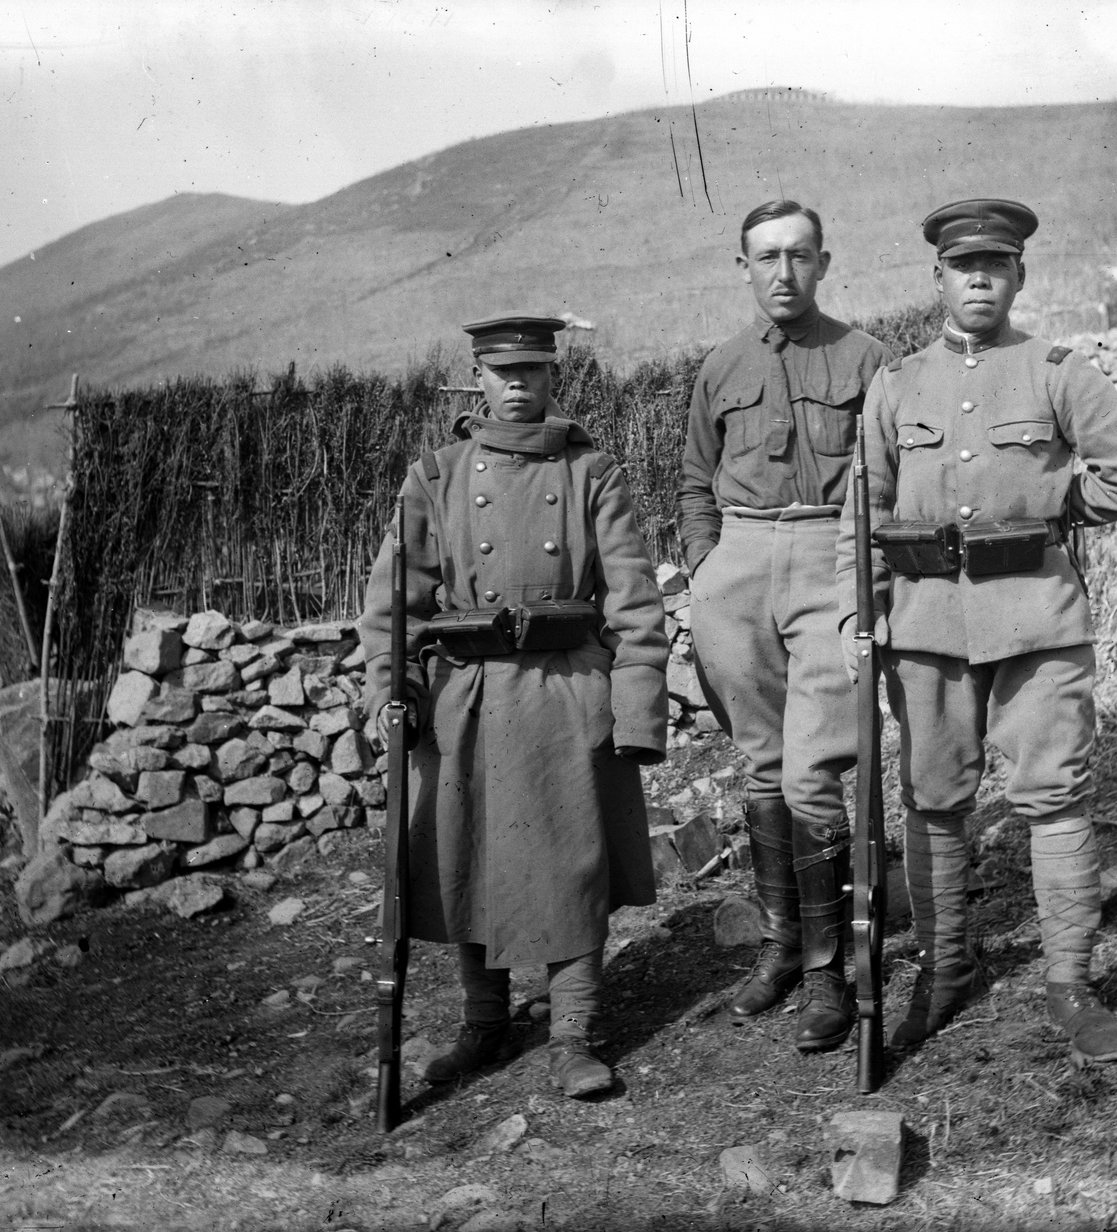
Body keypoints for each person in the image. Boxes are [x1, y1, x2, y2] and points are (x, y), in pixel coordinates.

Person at [836, 198, 1117, 1066]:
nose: (979, 279)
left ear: (1019, 276)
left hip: (1037, 622)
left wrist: (1055, 511)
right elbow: (864, 512)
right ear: (937, 278)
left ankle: (1070, 984)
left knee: (1054, 797)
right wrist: (857, 611)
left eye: (996, 266)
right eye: (962, 268)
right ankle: (941, 973)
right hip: (928, 627)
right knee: (934, 799)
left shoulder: (1060, 371)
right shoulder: (897, 384)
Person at [358, 315, 669, 1098]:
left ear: (552, 376)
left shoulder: (593, 471)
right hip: (465, 693)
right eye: (503, 372)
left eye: (533, 370)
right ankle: (484, 1022)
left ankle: (573, 1035)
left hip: (564, 689)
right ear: (480, 377)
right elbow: (393, 600)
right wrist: (389, 684)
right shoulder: (437, 474)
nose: (519, 384)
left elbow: (634, 603)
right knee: (466, 860)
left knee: (573, 861)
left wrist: (632, 712)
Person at [677, 201, 894, 1052]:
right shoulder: (719, 366)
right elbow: (695, 476)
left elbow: (888, 477)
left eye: (798, 255)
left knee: (813, 772)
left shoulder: (869, 357)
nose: (781, 272)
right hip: (736, 564)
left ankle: (827, 972)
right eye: (765, 257)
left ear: (823, 261)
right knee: (761, 766)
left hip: (826, 557)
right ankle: (778, 950)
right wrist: (704, 568)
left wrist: (862, 581)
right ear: (743, 267)